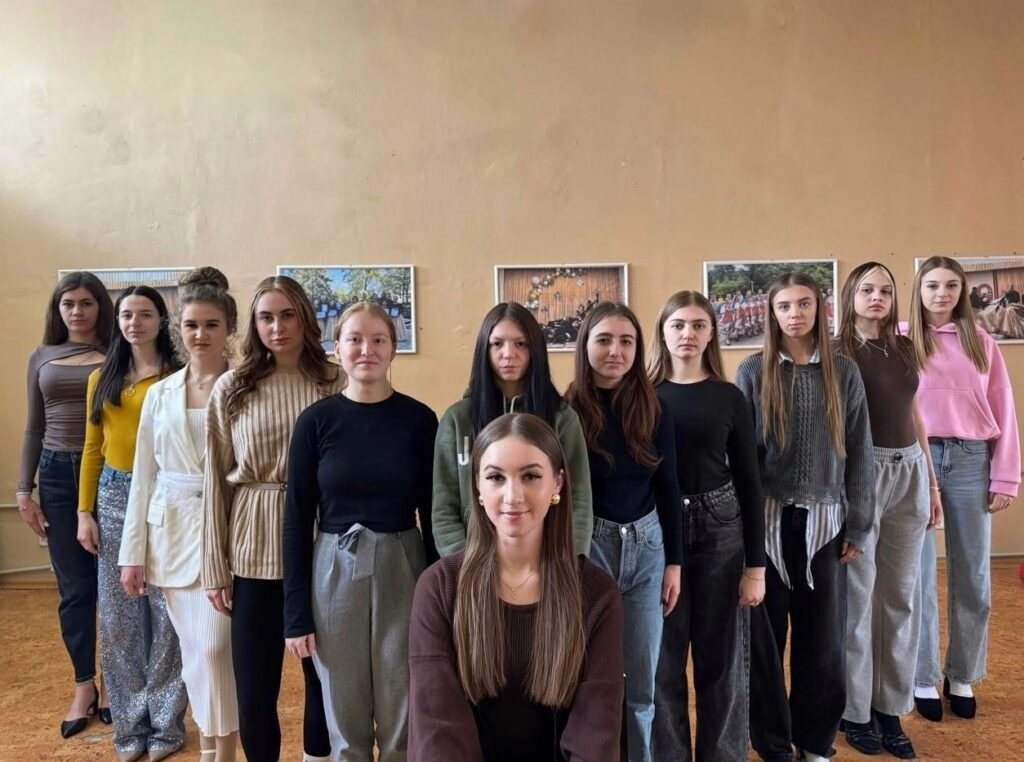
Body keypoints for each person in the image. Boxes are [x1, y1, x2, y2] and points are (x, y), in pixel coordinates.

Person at [408, 413, 624, 761]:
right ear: (477, 487)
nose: (513, 495)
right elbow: (437, 731)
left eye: (530, 476)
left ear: (557, 484)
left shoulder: (598, 595)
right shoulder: (438, 588)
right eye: (496, 477)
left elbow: (596, 735)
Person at [283, 302, 438, 761]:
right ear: (337, 348)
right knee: (342, 710)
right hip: (334, 568)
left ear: (393, 349)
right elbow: (297, 518)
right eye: (354, 339)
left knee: (402, 702)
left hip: (403, 564)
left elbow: (432, 513)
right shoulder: (315, 422)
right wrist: (296, 613)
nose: (366, 349)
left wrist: (442, 597)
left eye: (378, 340)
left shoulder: (419, 420)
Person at [202, 275, 343, 762]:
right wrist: (215, 566)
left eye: (287, 315)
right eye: (266, 317)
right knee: (255, 686)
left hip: (321, 545)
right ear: (254, 324)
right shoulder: (232, 387)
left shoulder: (335, 381)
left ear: (305, 318)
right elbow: (215, 481)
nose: (277, 327)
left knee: (322, 679)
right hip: (252, 547)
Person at [735, 273, 873, 762]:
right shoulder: (753, 371)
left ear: (820, 308)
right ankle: (772, 743)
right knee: (765, 642)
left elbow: (859, 448)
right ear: (772, 313)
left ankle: (815, 742)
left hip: (826, 525)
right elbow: (741, 457)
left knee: (823, 643)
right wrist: (743, 530)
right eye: (785, 306)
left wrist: (859, 522)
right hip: (768, 524)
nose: (795, 314)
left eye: (804, 304)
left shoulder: (843, 372)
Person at [118, 268, 240, 761]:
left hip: (227, 534)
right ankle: (209, 748)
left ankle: (224, 752)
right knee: (193, 657)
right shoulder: (160, 393)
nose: (200, 334)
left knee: (216, 651)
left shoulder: (243, 387)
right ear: (178, 330)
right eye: (191, 325)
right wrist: (132, 553)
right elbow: (143, 476)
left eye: (211, 325)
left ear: (229, 328)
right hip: (168, 535)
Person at [647, 291, 765, 762]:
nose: (687, 334)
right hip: (660, 528)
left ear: (712, 332)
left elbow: (750, 483)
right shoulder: (645, 396)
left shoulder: (729, 397)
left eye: (698, 325)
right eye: (678, 325)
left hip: (721, 529)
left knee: (722, 661)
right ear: (663, 332)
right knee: (664, 661)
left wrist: (755, 567)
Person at [566, 301, 682, 762]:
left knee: (641, 682)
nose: (615, 351)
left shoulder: (655, 408)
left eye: (626, 341)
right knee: (589, 675)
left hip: (648, 548)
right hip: (590, 547)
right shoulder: (567, 411)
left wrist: (674, 563)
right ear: (585, 346)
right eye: (604, 340)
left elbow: (669, 487)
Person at [905, 256, 1019, 722]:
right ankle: (923, 674)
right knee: (917, 575)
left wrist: (1006, 475)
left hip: (972, 460)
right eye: (933, 285)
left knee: (972, 574)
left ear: (962, 292)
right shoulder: (901, 340)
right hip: (916, 460)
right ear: (919, 290)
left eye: (952, 285)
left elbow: (1004, 408)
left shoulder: (981, 341)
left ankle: (962, 673)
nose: (942, 293)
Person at [834, 262, 940, 758]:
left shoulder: (904, 347)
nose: (876, 296)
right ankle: (854, 710)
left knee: (901, 598)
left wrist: (932, 483)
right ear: (850, 295)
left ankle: (890, 707)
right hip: (863, 473)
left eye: (885, 290)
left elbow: (916, 415)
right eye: (867, 289)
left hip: (910, 471)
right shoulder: (836, 351)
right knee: (858, 601)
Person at [76, 285, 186, 762]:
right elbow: (92, 448)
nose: (134, 323)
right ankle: (128, 726)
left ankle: (166, 724)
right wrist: (84, 512)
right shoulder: (101, 377)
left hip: (167, 498)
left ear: (161, 320)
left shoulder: (179, 378)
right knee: (119, 619)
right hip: (115, 496)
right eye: (126, 315)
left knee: (165, 615)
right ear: (117, 322)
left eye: (144, 314)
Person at [17, 271, 113, 738]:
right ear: (58, 309)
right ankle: (83, 685)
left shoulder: (119, 352)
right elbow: (34, 427)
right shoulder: (42, 356)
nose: (77, 311)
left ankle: (114, 682)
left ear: (100, 307)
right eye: (68, 303)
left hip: (110, 474)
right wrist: (23, 490)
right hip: (56, 475)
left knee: (115, 588)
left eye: (86, 303)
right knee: (75, 590)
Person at [433, 302, 592, 558]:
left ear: (535, 349)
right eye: (497, 344)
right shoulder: (457, 419)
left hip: (547, 561)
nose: (508, 354)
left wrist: (570, 560)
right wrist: (464, 563)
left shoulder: (562, 418)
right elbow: (444, 508)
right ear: (484, 349)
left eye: (521, 344)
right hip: (476, 562)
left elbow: (579, 500)